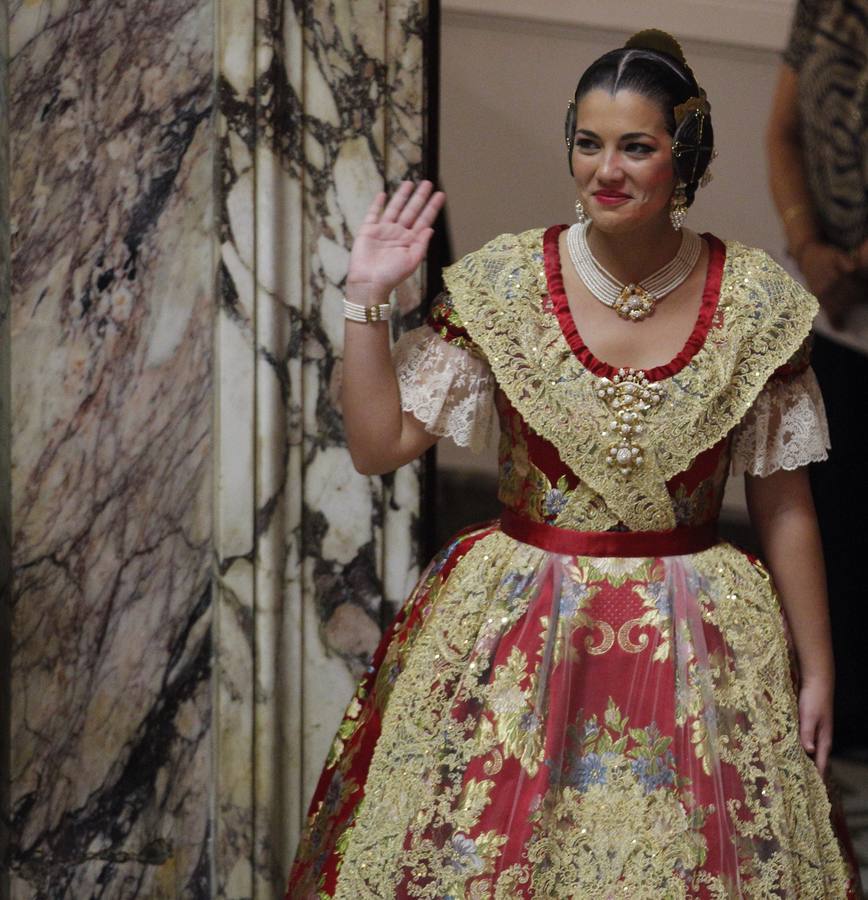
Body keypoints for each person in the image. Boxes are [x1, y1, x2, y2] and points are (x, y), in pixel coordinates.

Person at [289, 29, 860, 898]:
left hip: (695, 641)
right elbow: (379, 446)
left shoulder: (753, 303)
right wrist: (367, 302)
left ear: (687, 154)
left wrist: (816, 669)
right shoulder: (510, 283)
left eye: (637, 146)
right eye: (589, 144)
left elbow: (785, 507)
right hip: (522, 631)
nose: (607, 170)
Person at [767, 0, 868, 756]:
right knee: (835, 519)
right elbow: (784, 132)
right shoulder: (828, 7)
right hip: (839, 311)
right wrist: (808, 247)